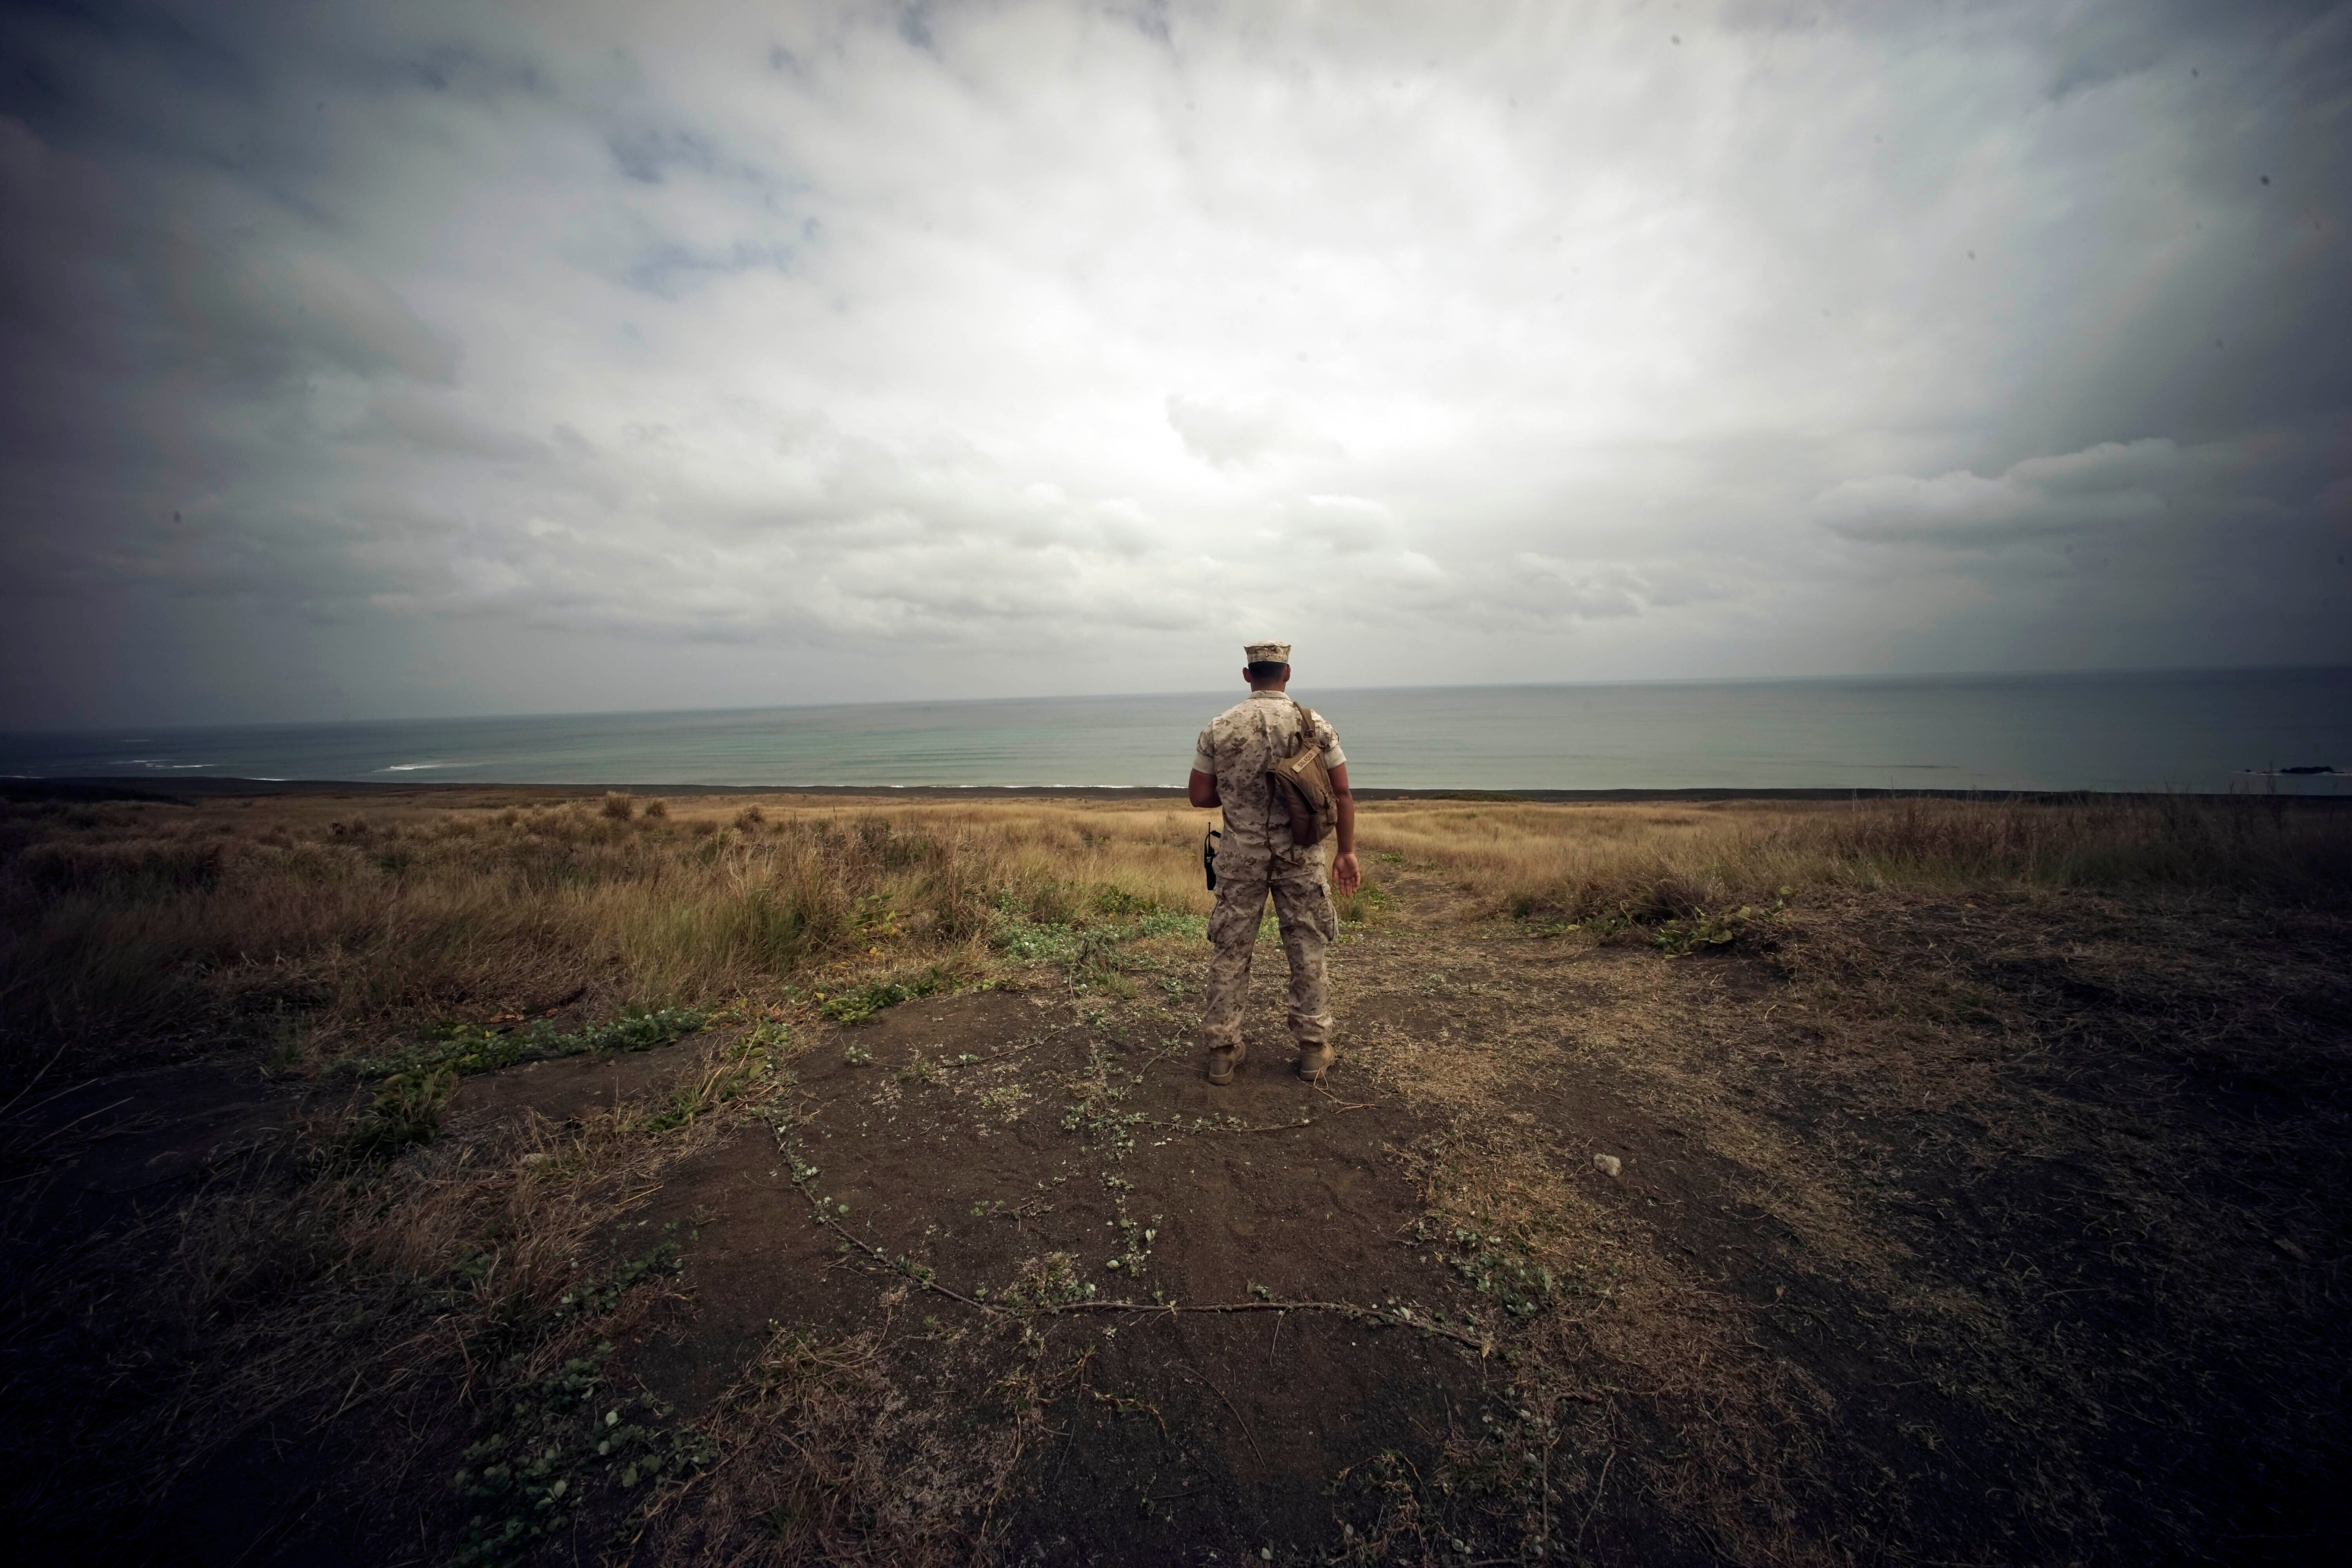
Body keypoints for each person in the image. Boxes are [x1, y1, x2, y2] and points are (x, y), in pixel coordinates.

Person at [1187, 640, 1361, 1085]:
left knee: (1230, 951)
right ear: (1287, 674)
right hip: (1300, 855)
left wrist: (1242, 793)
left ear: (1248, 675)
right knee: (1307, 948)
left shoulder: (1220, 726)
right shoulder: (1314, 724)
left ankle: (1223, 1052)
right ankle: (1312, 1049)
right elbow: (1341, 793)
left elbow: (1199, 796)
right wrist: (1346, 851)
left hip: (1241, 856)